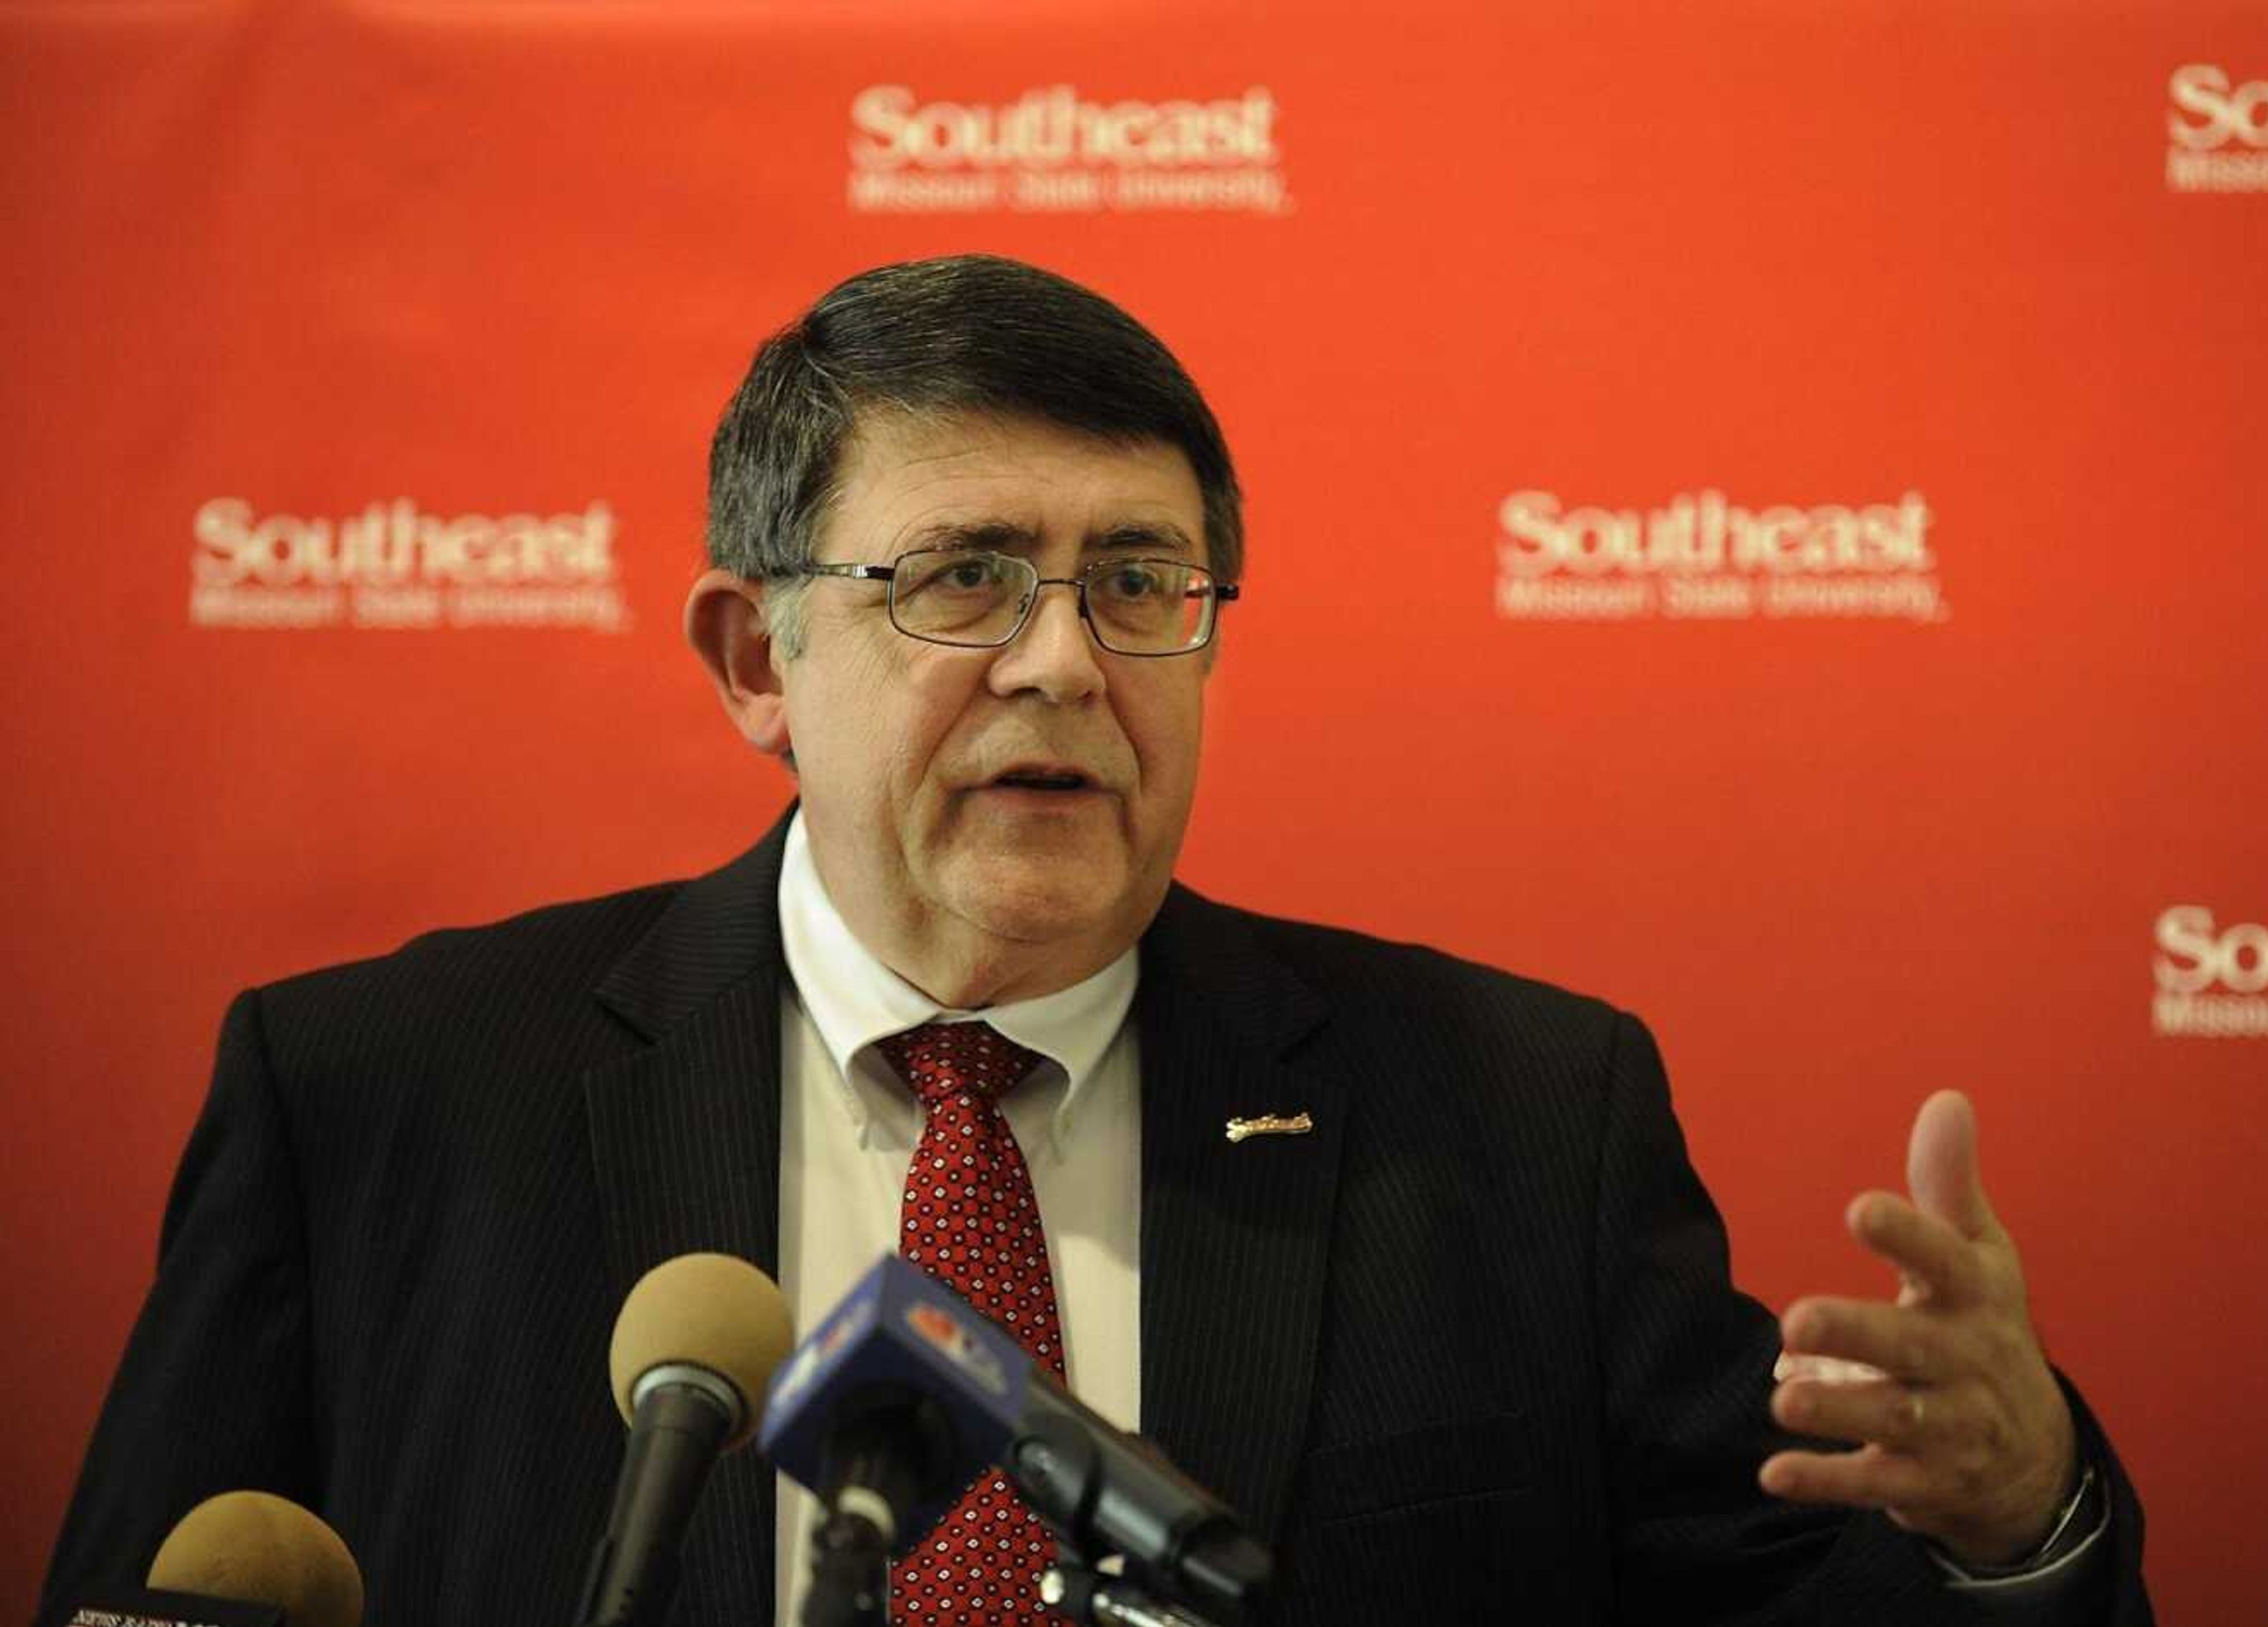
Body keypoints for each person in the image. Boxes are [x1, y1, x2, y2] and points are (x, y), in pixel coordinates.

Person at [42, 256, 2148, 1625]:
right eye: (964, 575)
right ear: (751, 654)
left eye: (1143, 581)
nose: (1065, 660)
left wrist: (2013, 1519)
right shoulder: (381, 1102)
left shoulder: (1517, 1118)